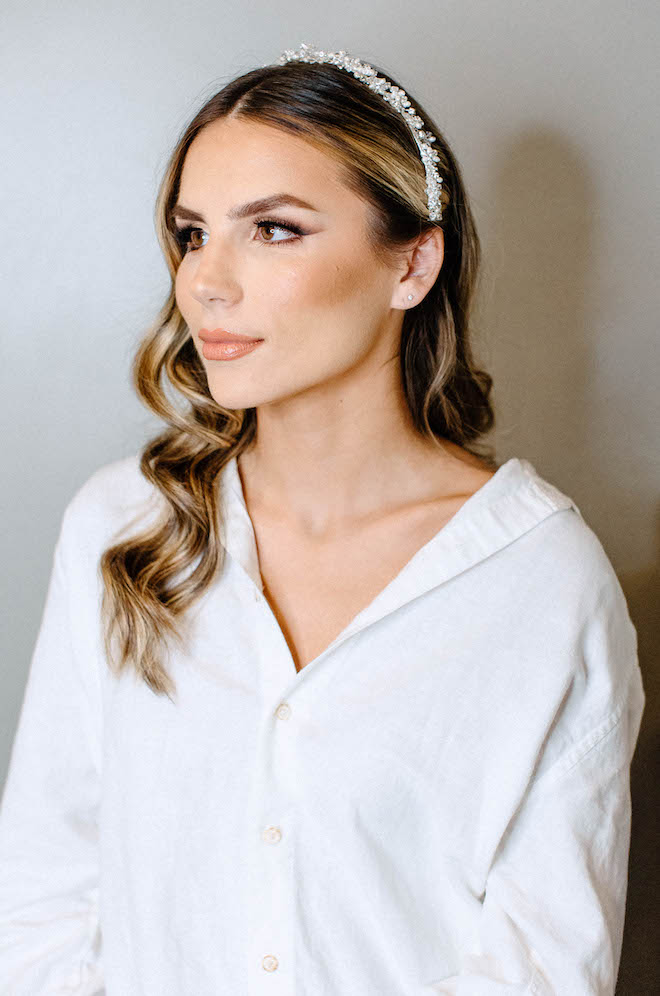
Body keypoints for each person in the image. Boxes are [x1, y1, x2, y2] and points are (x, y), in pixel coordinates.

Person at [0, 43, 645, 995]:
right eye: (192, 233)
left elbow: (543, 968)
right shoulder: (122, 527)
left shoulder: (541, 582)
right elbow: (45, 903)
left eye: (275, 230)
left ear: (412, 263)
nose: (205, 282)